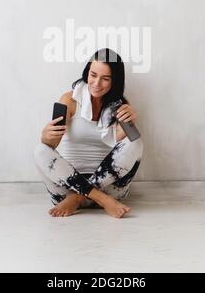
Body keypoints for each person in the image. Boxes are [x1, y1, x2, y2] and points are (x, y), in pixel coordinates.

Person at [33, 48, 144, 218]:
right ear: (87, 72)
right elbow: (51, 146)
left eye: (105, 78)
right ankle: (96, 198)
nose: (97, 83)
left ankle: (78, 199)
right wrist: (46, 136)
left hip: (110, 188)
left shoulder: (120, 106)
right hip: (67, 187)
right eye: (93, 75)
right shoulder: (69, 100)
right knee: (40, 150)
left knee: (136, 142)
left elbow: (124, 148)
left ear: (114, 81)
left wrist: (130, 120)